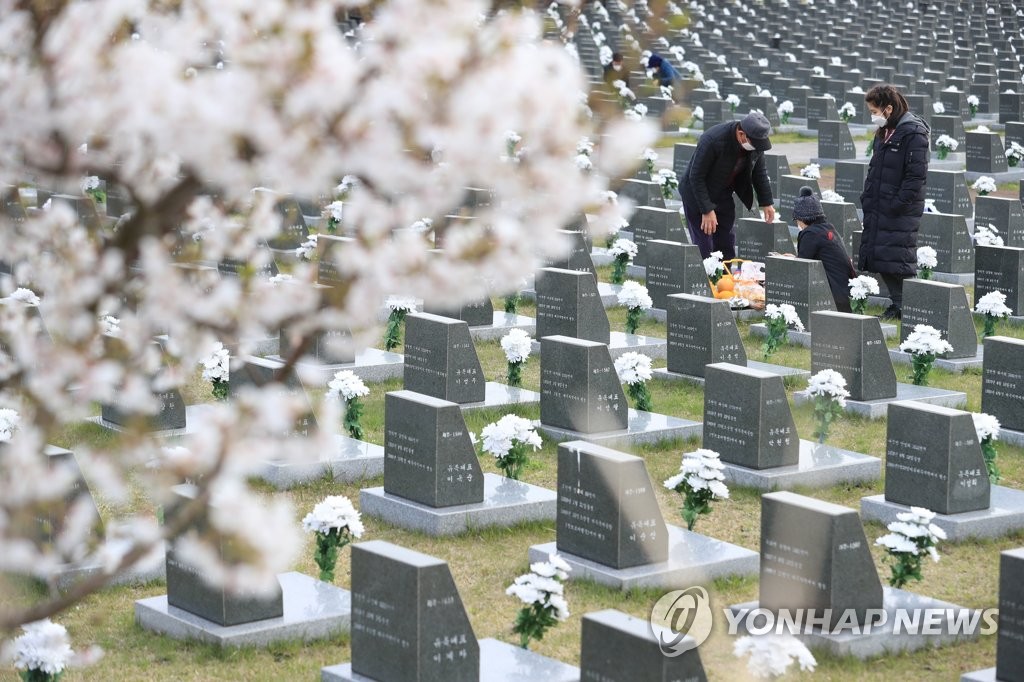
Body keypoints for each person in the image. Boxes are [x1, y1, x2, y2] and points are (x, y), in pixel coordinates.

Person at [859, 83, 930, 320]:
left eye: (874, 111)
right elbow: (876, 168)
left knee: (899, 259)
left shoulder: (913, 133)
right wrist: (868, 197)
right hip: (880, 206)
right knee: (882, 258)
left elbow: (915, 177)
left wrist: (896, 204)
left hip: (899, 209)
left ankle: (912, 306)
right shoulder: (885, 132)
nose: (873, 116)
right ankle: (899, 304)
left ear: (888, 108)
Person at [679, 111, 776, 260]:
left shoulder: (755, 144)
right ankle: (705, 280)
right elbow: (696, 176)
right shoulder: (713, 139)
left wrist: (767, 202)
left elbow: (759, 173)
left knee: (726, 243)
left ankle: (726, 280)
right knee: (704, 245)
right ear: (742, 134)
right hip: (697, 195)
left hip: (723, 193)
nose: (757, 147)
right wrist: (706, 210)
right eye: (755, 143)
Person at [792, 186, 856, 313]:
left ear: (804, 219)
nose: (797, 224)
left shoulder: (810, 234)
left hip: (833, 297)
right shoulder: (827, 228)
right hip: (845, 293)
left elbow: (802, 267)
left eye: (797, 219)